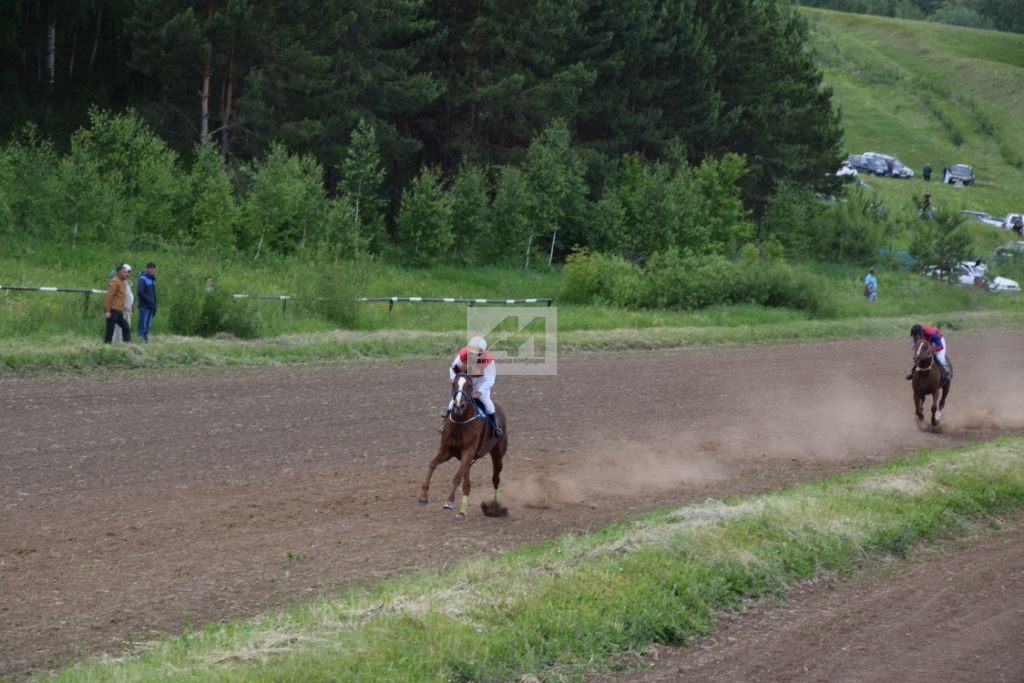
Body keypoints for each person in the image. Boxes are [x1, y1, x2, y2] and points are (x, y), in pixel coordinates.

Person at [444, 336, 502, 436]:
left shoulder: (489, 361)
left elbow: (489, 380)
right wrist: (455, 380)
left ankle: (495, 427)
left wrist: (479, 391)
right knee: (454, 400)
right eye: (472, 352)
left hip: (481, 380)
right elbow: (453, 369)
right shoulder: (462, 354)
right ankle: (445, 424)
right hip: (466, 379)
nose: (473, 355)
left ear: (482, 353)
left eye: (477, 353)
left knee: (486, 401)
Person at [104, 263, 132, 344]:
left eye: (127, 272)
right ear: (119, 272)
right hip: (112, 310)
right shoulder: (114, 282)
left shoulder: (122, 282)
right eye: (125, 272)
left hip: (119, 310)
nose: (127, 274)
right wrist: (107, 310)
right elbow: (109, 296)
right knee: (110, 330)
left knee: (126, 327)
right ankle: (106, 346)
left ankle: (127, 344)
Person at [137, 262, 158, 342]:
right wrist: (150, 301)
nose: (152, 270)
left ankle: (145, 342)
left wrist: (154, 305)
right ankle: (139, 341)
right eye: (151, 268)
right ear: (147, 269)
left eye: (154, 269)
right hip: (144, 306)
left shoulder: (151, 279)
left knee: (148, 326)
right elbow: (140, 292)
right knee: (143, 325)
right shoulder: (142, 279)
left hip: (151, 306)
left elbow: (153, 294)